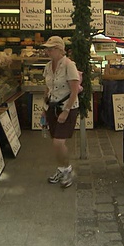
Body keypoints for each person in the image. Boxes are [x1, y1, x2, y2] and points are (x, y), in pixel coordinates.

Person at [41, 36, 80, 188]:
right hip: (52, 106)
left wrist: (66, 111)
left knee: (58, 142)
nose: (48, 51)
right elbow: (47, 89)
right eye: (47, 49)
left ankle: (67, 170)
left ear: (59, 50)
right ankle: (62, 169)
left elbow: (75, 90)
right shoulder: (48, 66)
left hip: (67, 107)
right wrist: (44, 109)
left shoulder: (69, 65)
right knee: (55, 143)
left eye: (50, 49)